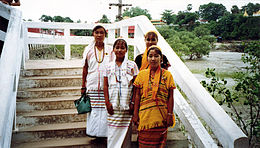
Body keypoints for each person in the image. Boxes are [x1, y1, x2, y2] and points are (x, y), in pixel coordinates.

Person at [133, 45, 176, 148]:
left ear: (161, 58)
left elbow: (170, 97)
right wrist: (135, 114)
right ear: (147, 58)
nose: (153, 59)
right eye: (150, 56)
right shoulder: (141, 75)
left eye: (156, 56)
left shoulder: (167, 75)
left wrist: (170, 114)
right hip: (145, 118)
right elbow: (137, 96)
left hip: (161, 117)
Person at [103, 38, 139, 147]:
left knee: (125, 134)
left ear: (126, 50)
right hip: (113, 105)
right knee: (113, 133)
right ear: (113, 50)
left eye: (122, 48)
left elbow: (136, 86)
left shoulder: (132, 65)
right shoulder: (108, 66)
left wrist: (133, 102)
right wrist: (107, 102)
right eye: (117, 47)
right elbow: (105, 85)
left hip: (126, 106)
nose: (119, 50)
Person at [81, 25, 114, 141]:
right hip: (93, 84)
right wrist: (83, 85)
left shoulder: (110, 50)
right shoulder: (88, 50)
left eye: (102, 33)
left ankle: (104, 134)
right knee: (94, 110)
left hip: (107, 85)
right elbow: (85, 68)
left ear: (105, 35)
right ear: (93, 34)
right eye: (97, 32)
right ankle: (93, 133)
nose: (99, 35)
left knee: (105, 110)